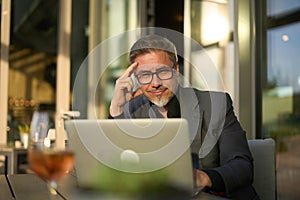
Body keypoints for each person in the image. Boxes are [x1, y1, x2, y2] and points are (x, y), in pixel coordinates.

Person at [109, 34, 259, 199]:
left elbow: (242, 167)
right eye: (145, 75)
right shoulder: (132, 112)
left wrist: (202, 177)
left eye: (163, 72)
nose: (155, 83)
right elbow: (111, 171)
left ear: (176, 70)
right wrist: (117, 110)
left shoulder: (216, 104)